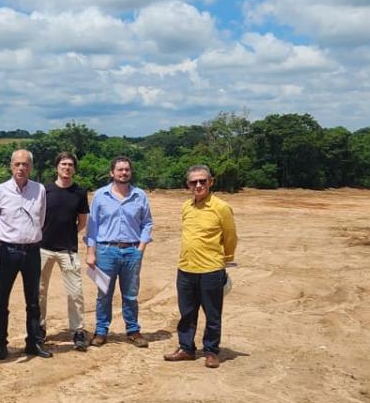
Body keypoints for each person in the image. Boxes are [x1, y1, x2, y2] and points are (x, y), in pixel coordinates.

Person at [165, 165, 238, 368]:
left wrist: (226, 259)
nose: (198, 185)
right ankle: (186, 348)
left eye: (202, 181)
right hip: (186, 268)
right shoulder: (186, 207)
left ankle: (211, 351)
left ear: (211, 182)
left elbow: (230, 236)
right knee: (187, 313)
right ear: (188, 185)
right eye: (193, 182)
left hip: (211, 269)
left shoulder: (221, 207)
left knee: (212, 314)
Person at [85, 156, 153, 347]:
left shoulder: (140, 195)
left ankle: (133, 331)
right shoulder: (100, 195)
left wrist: (141, 248)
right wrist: (91, 252)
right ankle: (101, 331)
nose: (123, 173)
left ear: (130, 172)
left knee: (130, 294)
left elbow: (147, 222)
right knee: (103, 293)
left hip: (132, 251)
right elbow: (93, 226)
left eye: (126, 170)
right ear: (112, 173)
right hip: (105, 250)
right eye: (120, 170)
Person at [0, 149, 51, 360]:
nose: (21, 168)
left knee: (33, 300)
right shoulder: (0, 191)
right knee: (1, 300)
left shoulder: (40, 190)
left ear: (31, 167)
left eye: (25, 164)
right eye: (17, 164)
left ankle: (33, 342)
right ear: (11, 166)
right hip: (8, 251)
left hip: (32, 251)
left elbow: (40, 219)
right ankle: (1, 343)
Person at [39, 151, 90, 351]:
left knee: (75, 292)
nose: (66, 168)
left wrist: (68, 233)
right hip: (43, 248)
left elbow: (82, 221)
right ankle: (39, 328)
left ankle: (77, 331)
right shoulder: (45, 190)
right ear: (56, 168)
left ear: (74, 169)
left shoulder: (79, 192)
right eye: (63, 164)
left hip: (68, 250)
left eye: (70, 165)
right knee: (39, 292)